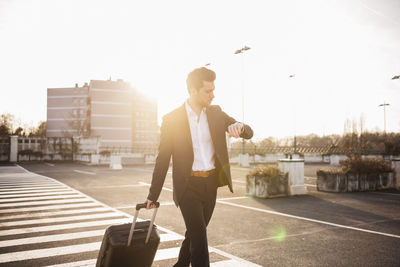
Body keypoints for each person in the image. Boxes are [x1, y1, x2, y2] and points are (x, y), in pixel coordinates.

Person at [145, 67, 253, 267]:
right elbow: (162, 159)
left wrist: (240, 126)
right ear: (192, 91)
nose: (213, 95)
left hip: (210, 186)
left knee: (194, 236)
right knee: (200, 242)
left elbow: (249, 132)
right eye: (208, 91)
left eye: (213, 90)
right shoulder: (172, 119)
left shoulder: (216, 113)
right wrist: (153, 194)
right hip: (188, 187)